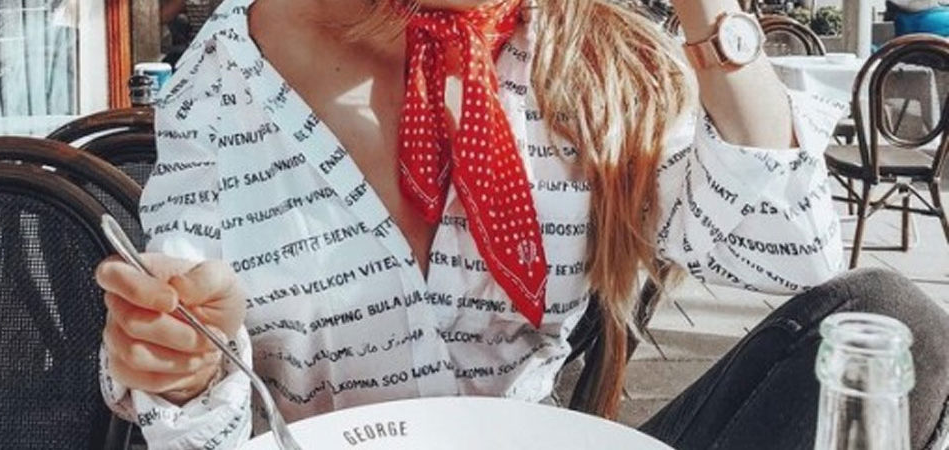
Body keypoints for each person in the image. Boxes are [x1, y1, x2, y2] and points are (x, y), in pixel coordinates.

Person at [95, 0, 949, 448]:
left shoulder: (595, 61)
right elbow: (195, 407)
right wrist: (183, 366)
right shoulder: (229, 73)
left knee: (893, 321)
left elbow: (791, 253)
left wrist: (710, 13)